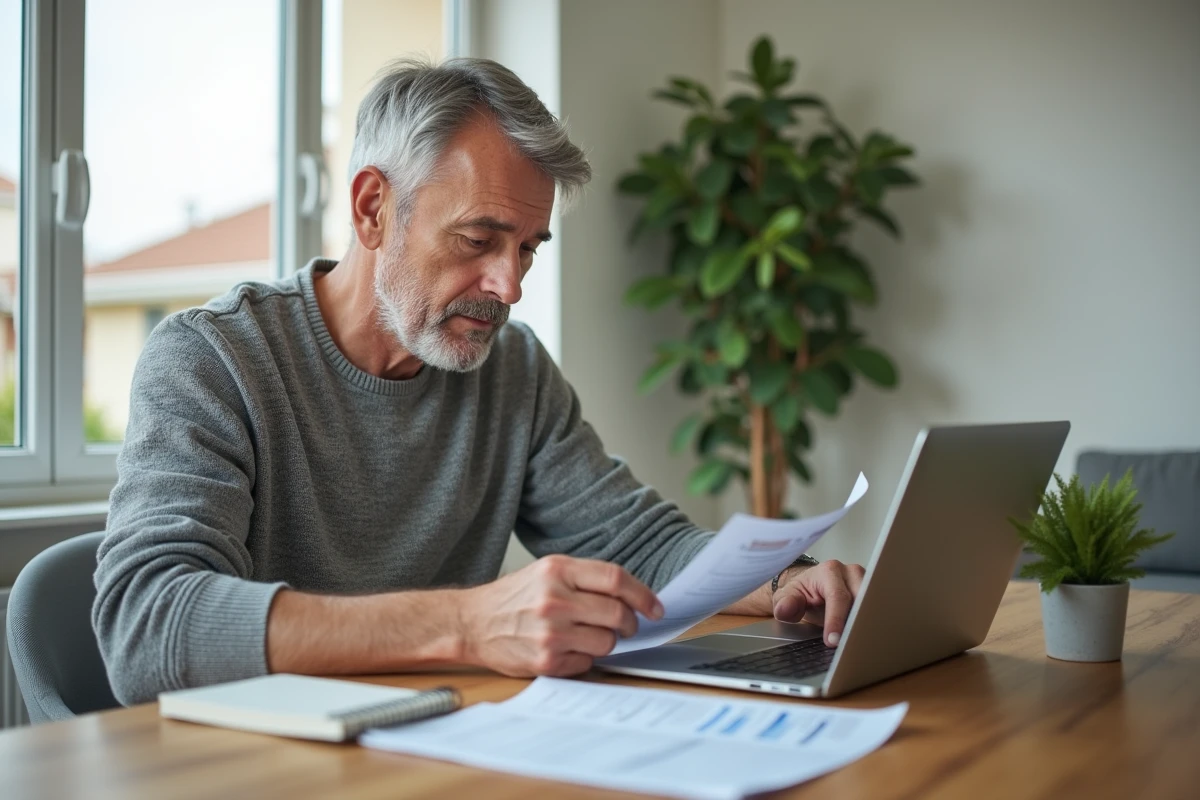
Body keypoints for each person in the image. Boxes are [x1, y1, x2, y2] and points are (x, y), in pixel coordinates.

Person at [93, 57, 865, 705]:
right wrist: (467, 625)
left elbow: (639, 545)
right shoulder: (213, 359)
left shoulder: (512, 370)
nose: (509, 285)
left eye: (527, 248)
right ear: (372, 208)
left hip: (438, 743)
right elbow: (146, 625)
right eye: (477, 239)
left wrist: (784, 582)